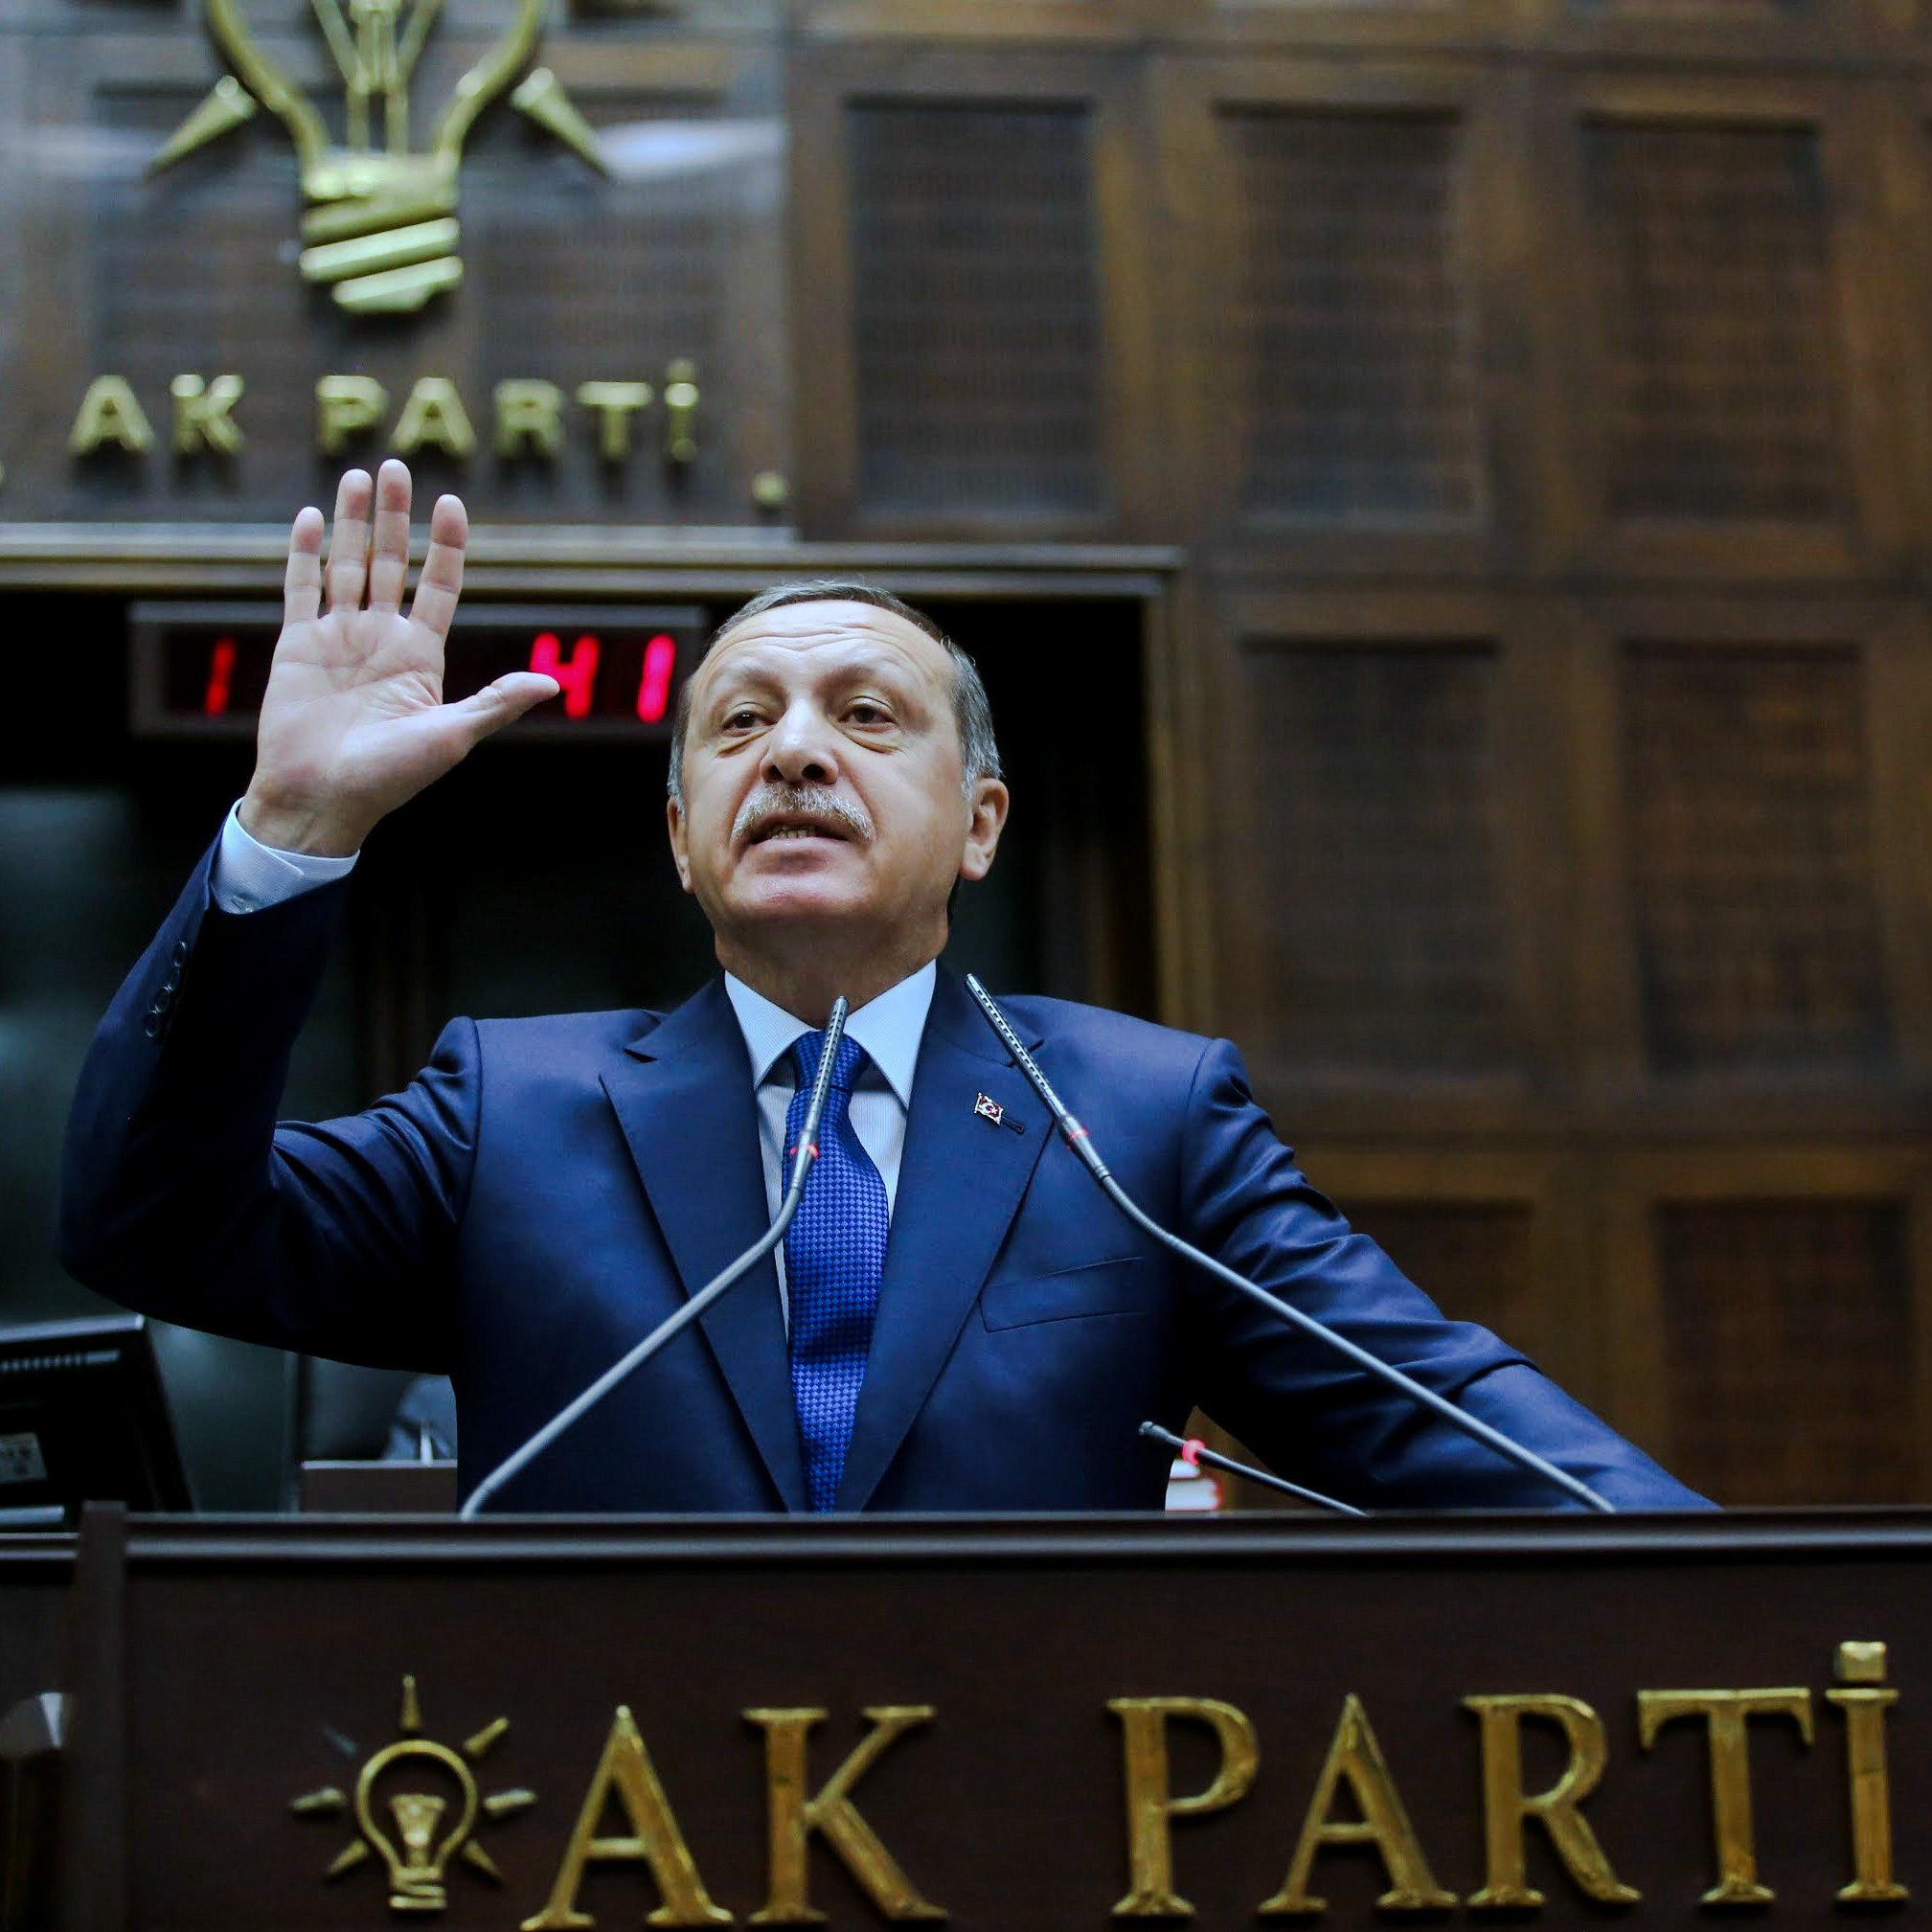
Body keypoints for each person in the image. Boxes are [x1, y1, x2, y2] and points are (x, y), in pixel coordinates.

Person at [60, 463, 1709, 1513]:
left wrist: (1758, 1606)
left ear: (980, 822)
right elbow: (148, 1224)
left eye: (864, 716)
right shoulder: (514, 1112)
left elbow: (1439, 1414)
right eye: (740, 723)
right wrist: (291, 830)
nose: (792, 751)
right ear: (682, 840)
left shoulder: (1140, 1119)